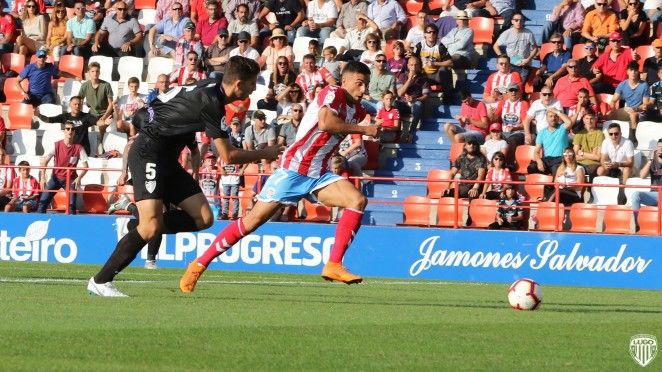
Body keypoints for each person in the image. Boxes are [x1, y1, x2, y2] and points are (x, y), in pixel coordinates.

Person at [178, 61, 382, 293]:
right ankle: (199, 264)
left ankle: (334, 264)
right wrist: (365, 130)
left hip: (320, 172)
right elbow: (325, 123)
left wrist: (374, 125)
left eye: (366, 84)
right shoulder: (332, 93)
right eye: (358, 83)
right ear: (344, 81)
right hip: (294, 169)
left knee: (357, 200)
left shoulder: (359, 109)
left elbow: (366, 117)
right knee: (251, 222)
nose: (363, 89)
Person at [87, 57, 283, 297]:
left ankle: (139, 225)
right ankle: (100, 281)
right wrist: (267, 153)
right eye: (253, 84)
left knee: (203, 218)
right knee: (150, 227)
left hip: (168, 159)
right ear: (239, 84)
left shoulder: (210, 85)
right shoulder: (212, 103)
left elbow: (157, 106)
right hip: (149, 154)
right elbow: (228, 155)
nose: (254, 88)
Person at [38, 121, 89, 214]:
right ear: (64, 131)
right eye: (68, 129)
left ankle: (71, 226)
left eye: (72, 129)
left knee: (72, 205)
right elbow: (45, 160)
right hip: (55, 177)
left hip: (71, 179)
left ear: (74, 132)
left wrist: (79, 178)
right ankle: (38, 223)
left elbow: (86, 167)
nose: (70, 131)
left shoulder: (79, 148)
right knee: (42, 202)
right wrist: (42, 178)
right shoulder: (57, 145)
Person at [493, 12, 539, 83]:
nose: (519, 22)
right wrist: (502, 58)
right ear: (512, 21)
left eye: (521, 20)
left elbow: (535, 48)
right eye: (516, 20)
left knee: (519, 86)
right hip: (510, 65)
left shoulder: (528, 33)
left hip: (524, 65)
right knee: (508, 85)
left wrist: (528, 59)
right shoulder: (506, 33)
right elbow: (495, 46)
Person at [609, 61, 650, 138]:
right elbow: (613, 100)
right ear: (627, 71)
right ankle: (611, 138)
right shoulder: (622, 84)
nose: (633, 72)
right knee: (609, 115)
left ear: (638, 72)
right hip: (628, 109)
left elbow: (645, 104)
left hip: (640, 111)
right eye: (631, 70)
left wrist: (636, 108)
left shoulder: (644, 85)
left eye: (635, 70)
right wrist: (613, 108)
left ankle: (634, 139)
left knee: (633, 115)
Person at [79, 61, 114, 152]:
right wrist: (80, 114)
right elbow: (80, 100)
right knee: (81, 125)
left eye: (97, 71)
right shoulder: (85, 85)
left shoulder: (106, 85)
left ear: (100, 72)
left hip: (105, 113)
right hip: (92, 113)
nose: (95, 73)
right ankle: (84, 148)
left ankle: (102, 150)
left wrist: (105, 116)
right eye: (93, 71)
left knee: (102, 126)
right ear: (89, 73)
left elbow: (111, 103)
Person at [528, 108, 573, 175]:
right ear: (546, 118)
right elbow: (536, 151)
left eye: (555, 116)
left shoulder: (562, 128)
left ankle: (552, 185)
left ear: (558, 118)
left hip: (561, 158)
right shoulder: (542, 132)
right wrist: (539, 161)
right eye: (550, 116)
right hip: (548, 160)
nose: (553, 118)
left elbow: (569, 122)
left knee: (555, 169)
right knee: (531, 167)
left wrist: (557, 112)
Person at [631, 138, 662, 219]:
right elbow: (642, 175)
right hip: (654, 194)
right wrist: (651, 160)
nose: (660, 149)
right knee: (636, 195)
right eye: (659, 146)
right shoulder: (652, 161)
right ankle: (635, 222)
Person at [396, 56, 429, 131]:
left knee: (419, 105)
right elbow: (400, 93)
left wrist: (415, 99)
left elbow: (426, 96)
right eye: (411, 65)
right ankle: (397, 130)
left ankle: (412, 131)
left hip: (415, 104)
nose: (413, 67)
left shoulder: (423, 78)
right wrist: (409, 79)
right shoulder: (402, 76)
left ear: (419, 66)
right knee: (395, 103)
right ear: (408, 65)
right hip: (403, 104)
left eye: (416, 65)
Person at [572, 109, 604, 179]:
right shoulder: (579, 134)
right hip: (579, 163)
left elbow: (598, 157)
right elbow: (574, 156)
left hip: (593, 164)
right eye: (587, 118)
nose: (589, 121)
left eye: (591, 118)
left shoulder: (600, 134)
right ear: (583, 120)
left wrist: (582, 153)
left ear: (595, 119)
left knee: (597, 170)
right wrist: (591, 155)